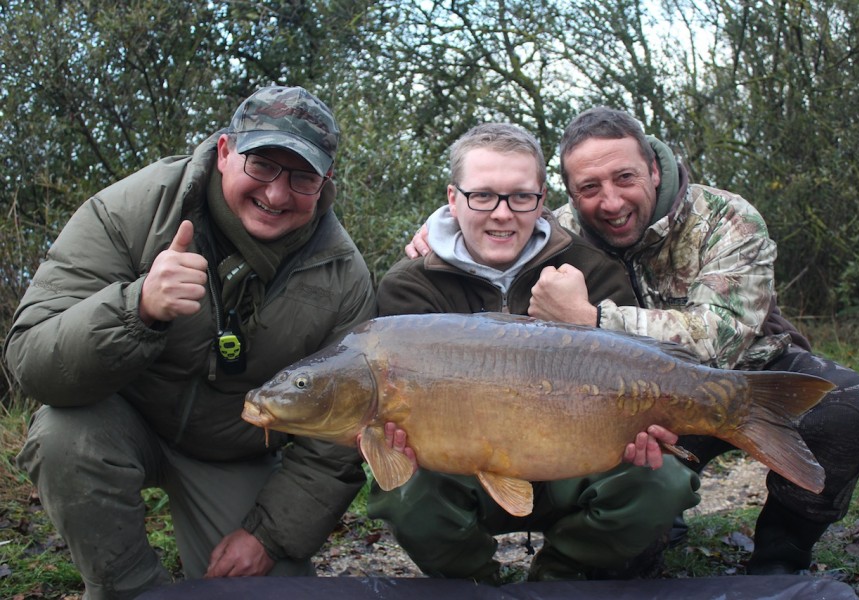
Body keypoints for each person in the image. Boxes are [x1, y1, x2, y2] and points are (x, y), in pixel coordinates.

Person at [5, 86, 388, 599]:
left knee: (268, 590)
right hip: (124, 422)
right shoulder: (129, 211)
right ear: (226, 152)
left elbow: (336, 437)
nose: (277, 194)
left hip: (237, 452)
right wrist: (136, 308)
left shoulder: (344, 275)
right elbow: (30, 362)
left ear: (325, 183)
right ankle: (132, 591)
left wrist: (267, 536)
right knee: (62, 437)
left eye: (301, 177)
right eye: (262, 166)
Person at [525, 107, 859, 574]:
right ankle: (656, 519)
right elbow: (492, 228)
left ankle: (783, 554)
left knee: (845, 406)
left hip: (749, 372)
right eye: (589, 188)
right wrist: (442, 228)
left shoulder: (726, 217)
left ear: (655, 169)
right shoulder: (559, 233)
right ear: (572, 194)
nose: (611, 202)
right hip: (630, 400)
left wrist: (594, 320)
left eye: (625, 178)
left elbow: (717, 342)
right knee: (624, 565)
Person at [370, 122, 701, 585]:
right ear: (452, 198)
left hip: (577, 458)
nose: (502, 214)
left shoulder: (593, 270)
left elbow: (633, 365)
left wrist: (643, 425)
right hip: (465, 468)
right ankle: (479, 585)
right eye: (482, 196)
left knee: (660, 481)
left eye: (520, 197)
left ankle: (560, 578)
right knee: (404, 487)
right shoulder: (410, 286)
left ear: (542, 200)